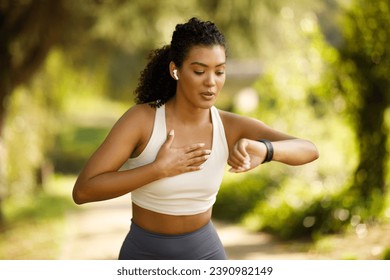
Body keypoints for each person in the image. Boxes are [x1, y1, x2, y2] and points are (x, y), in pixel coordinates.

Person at [72, 17, 319, 260]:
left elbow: (309, 149)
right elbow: (83, 191)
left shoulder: (229, 126)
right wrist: (157, 169)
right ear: (175, 70)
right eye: (199, 71)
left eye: (220, 71)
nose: (211, 82)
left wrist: (266, 150)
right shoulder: (142, 121)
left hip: (205, 255)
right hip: (144, 255)